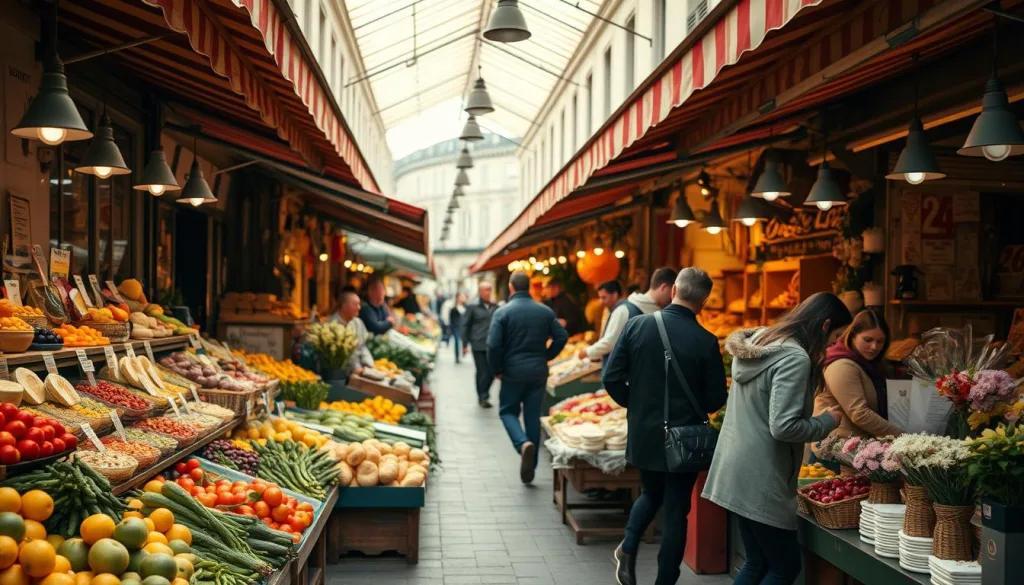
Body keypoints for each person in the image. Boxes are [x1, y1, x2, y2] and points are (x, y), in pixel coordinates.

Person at [702, 292, 852, 585]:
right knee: (784, 567)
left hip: (737, 466)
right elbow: (784, 427)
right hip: (763, 474)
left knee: (757, 561)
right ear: (824, 325)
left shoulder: (762, 342)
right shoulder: (794, 357)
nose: (836, 343)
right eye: (836, 335)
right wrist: (827, 421)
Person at [603, 268, 728, 585]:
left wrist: (638, 405)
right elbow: (715, 399)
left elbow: (611, 377)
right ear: (704, 300)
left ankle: (628, 549)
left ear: (673, 291)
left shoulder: (637, 325)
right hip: (685, 439)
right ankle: (664, 581)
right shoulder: (706, 340)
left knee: (650, 492)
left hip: (645, 432)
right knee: (676, 512)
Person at [488, 271, 568, 483]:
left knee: (507, 410)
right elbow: (561, 336)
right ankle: (530, 466)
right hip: (538, 371)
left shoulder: (502, 313)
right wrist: (546, 356)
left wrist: (497, 369)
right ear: (529, 288)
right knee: (532, 415)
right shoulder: (545, 311)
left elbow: (493, 345)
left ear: (512, 288)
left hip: (513, 371)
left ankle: (522, 444)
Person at [814, 310, 902, 445]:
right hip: (835, 450)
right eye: (868, 340)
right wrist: (903, 436)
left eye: (880, 341)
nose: (874, 347)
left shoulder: (868, 364)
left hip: (855, 448)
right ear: (853, 336)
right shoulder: (842, 365)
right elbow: (859, 413)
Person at [577, 281, 642, 370]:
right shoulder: (619, 309)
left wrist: (587, 352)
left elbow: (609, 342)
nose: (601, 302)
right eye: (600, 298)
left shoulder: (621, 311)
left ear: (615, 295)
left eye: (604, 298)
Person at [461, 282, 498, 408]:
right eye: (485, 290)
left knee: (493, 371)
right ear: (480, 292)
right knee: (482, 371)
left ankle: (484, 392)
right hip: (478, 343)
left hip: (492, 344)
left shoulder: (495, 307)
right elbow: (465, 325)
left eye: (489, 289)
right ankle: (483, 396)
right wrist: (464, 344)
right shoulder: (472, 307)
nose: (488, 292)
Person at [328, 291, 374, 374]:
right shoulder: (331, 325)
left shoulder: (358, 322)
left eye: (359, 304)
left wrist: (368, 363)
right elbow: (340, 356)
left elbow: (362, 347)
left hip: (361, 369)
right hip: (341, 373)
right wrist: (356, 368)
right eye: (355, 304)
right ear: (344, 306)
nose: (359, 308)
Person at [448, 293, 467, 364]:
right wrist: (451, 329)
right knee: (456, 342)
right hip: (456, 327)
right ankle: (457, 357)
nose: (462, 298)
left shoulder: (466, 307)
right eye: (461, 297)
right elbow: (451, 319)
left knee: (464, 341)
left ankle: (464, 351)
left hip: (464, 327)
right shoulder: (453, 309)